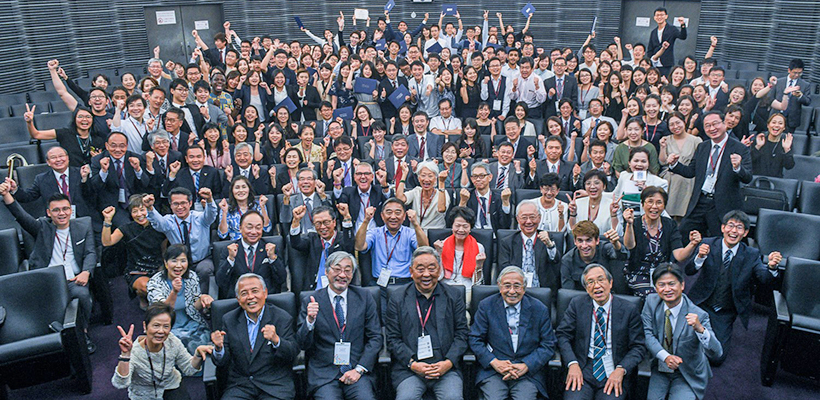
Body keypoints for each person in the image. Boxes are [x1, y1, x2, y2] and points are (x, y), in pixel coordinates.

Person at [0, 186, 97, 353]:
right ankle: (58, 332)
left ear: (71, 210)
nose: (62, 213)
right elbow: (20, 215)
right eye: (56, 210)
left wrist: (86, 271)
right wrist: (6, 194)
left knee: (82, 295)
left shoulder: (83, 225)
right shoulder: (42, 227)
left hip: (73, 279)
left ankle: (82, 332)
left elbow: (90, 252)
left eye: (65, 209)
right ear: (49, 213)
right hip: (47, 281)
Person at [684, 210, 781, 364]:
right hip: (700, 304)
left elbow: (764, 278)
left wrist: (772, 267)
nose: (734, 231)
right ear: (723, 228)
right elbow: (689, 271)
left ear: (745, 233)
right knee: (678, 341)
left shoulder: (751, 254)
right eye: (730, 225)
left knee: (717, 357)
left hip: (724, 312)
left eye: (739, 227)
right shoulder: (708, 244)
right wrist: (700, 257)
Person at [384, 247, 469, 400]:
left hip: (445, 368)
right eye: (420, 269)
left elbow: (462, 334)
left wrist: (448, 363)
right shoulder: (397, 298)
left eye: (431, 268)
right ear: (411, 271)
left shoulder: (454, 296)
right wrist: (413, 364)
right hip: (410, 369)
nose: (426, 274)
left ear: (440, 270)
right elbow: (392, 339)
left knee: (453, 397)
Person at [296, 251, 382, 400]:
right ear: (326, 271)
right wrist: (310, 321)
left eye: (347, 270)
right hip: (324, 375)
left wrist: (359, 369)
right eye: (337, 269)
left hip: (356, 371)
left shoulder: (364, 297)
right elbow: (302, 344)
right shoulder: (311, 300)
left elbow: (375, 337)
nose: (342, 275)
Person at [556, 264, 646, 400]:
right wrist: (572, 363)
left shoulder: (629, 309)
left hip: (614, 369)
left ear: (610, 283)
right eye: (590, 282)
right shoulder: (577, 305)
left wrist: (621, 369)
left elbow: (638, 346)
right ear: (586, 288)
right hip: (583, 367)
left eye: (601, 280)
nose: (596, 286)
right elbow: (562, 335)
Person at [469, 266, 557, 400]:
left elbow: (548, 344)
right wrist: (494, 362)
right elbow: (475, 339)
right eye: (507, 286)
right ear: (499, 286)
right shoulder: (486, 306)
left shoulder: (539, 309)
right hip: (494, 370)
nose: (512, 291)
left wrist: (527, 365)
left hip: (527, 373)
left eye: (517, 286)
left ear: (524, 288)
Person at [211, 273, 299, 400]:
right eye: (244, 293)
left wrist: (276, 340)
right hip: (241, 386)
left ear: (265, 293)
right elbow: (222, 362)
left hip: (274, 386)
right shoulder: (229, 320)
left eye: (255, 291)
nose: (250, 297)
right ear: (238, 299)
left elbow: (292, 353)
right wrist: (219, 349)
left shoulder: (282, 317)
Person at [642, 264, 723, 400]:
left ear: (682, 285)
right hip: (660, 367)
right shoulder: (651, 302)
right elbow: (648, 335)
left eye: (671, 284)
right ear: (656, 288)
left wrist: (700, 330)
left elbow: (717, 352)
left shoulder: (699, 315)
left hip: (687, 373)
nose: (667, 289)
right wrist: (666, 357)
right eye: (661, 285)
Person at [667, 111, 752, 238]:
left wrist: (738, 167)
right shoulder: (702, 147)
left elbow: (748, 177)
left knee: (718, 239)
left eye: (715, 124)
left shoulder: (740, 148)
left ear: (724, 124)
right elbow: (690, 171)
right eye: (707, 125)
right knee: (683, 233)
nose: (712, 128)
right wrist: (674, 164)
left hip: (723, 204)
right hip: (700, 200)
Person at [112, 303, 213, 400]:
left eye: (166, 326)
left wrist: (197, 354)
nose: (161, 331)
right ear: (145, 326)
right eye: (156, 325)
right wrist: (125, 355)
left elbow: (189, 369)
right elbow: (120, 383)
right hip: (144, 395)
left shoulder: (172, 341)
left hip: (171, 385)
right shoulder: (135, 352)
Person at [621, 187, 701, 298]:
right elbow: (629, 245)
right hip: (638, 273)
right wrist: (629, 224)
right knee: (654, 297)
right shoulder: (634, 223)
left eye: (659, 203)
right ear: (643, 204)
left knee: (675, 293)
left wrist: (692, 244)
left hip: (662, 274)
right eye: (650, 202)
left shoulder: (670, 224)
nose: (654, 206)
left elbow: (679, 255)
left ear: (664, 206)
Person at [144, 187, 217, 293]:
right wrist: (150, 208)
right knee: (163, 273)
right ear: (170, 205)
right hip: (179, 261)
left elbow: (211, 214)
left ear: (190, 203)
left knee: (205, 269)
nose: (180, 207)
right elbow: (158, 223)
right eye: (176, 204)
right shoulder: (168, 221)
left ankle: (202, 298)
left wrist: (209, 199)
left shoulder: (200, 218)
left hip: (202, 260)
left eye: (183, 203)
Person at [101, 195, 166, 309]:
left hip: (158, 268)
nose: (139, 214)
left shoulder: (159, 226)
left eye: (142, 210)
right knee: (147, 287)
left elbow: (164, 251)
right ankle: (143, 296)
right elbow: (107, 242)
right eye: (135, 211)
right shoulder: (126, 228)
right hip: (137, 270)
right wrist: (107, 220)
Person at [146, 244, 213, 354]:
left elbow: (194, 307)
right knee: (179, 348)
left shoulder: (191, 276)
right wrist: (174, 292)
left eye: (183, 261)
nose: (179, 265)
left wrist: (202, 299)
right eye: (174, 261)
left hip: (191, 323)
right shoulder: (154, 283)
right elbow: (161, 312)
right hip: (166, 327)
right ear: (166, 263)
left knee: (204, 344)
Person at [355, 198, 429, 286]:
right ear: (382, 216)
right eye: (389, 212)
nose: (393, 217)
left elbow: (424, 249)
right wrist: (366, 220)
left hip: (405, 283)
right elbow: (359, 246)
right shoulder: (374, 233)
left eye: (397, 213)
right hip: (379, 284)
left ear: (404, 216)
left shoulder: (410, 233)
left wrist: (415, 223)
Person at [216, 210, 287, 299]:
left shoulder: (271, 248)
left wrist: (272, 258)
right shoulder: (229, 250)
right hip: (239, 300)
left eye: (258, 228)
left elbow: (281, 279)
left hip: (266, 299)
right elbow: (220, 282)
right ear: (240, 228)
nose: (254, 232)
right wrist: (230, 259)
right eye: (249, 227)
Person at [9, 146, 94, 219]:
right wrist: (15, 189)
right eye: (53, 157)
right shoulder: (41, 179)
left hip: (83, 218)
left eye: (61, 156)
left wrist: (84, 180)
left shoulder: (81, 173)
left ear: (68, 158)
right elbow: (28, 197)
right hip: (56, 221)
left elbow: (92, 196)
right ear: (48, 162)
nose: (58, 160)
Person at [90, 132, 151, 227]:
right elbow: (94, 187)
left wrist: (137, 169)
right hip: (113, 205)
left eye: (122, 146)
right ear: (107, 145)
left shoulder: (135, 158)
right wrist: (103, 171)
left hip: (134, 202)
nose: (118, 150)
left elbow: (145, 183)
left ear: (127, 146)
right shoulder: (98, 160)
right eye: (113, 146)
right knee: (127, 226)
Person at [290, 205, 355, 292]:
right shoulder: (312, 238)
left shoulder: (343, 239)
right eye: (318, 223)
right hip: (315, 287)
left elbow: (349, 245)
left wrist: (346, 217)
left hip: (339, 286)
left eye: (326, 222)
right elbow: (296, 243)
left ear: (334, 222)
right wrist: (296, 220)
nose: (322, 227)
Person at [498, 200, 561, 290]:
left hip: (542, 290)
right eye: (524, 217)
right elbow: (504, 270)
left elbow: (556, 261)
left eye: (532, 217)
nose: (528, 221)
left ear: (539, 218)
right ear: (517, 219)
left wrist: (549, 245)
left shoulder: (548, 238)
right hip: (516, 290)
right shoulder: (507, 242)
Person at [561, 221, 628, 295]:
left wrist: (616, 244)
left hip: (608, 296)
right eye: (580, 241)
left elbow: (622, 256)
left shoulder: (605, 249)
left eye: (588, 240)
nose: (584, 246)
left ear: (597, 240)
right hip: (581, 299)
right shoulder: (567, 260)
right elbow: (569, 293)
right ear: (575, 241)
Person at [433, 207, 488, 297]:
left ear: (470, 228)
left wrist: (479, 266)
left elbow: (477, 284)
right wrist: (438, 254)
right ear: (452, 226)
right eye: (457, 226)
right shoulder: (441, 245)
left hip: (467, 289)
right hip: (445, 288)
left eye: (465, 226)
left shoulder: (479, 247)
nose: (461, 230)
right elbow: (437, 277)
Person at [658, 112, 702, 219]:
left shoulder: (696, 140)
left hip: (688, 181)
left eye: (678, 123)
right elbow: (662, 162)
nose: (675, 126)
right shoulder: (666, 139)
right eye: (671, 124)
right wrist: (662, 147)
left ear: (684, 122)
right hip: (671, 180)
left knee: (685, 213)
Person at [456, 162, 512, 231]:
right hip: (472, 234)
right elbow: (458, 222)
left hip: (493, 234)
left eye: (481, 176)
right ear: (472, 179)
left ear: (490, 177)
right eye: (475, 176)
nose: (478, 179)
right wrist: (463, 202)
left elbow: (505, 225)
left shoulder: (500, 197)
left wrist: (505, 202)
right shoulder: (466, 196)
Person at [396, 161, 450, 231]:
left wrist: (441, 182)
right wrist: (404, 174)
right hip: (415, 232)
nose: (426, 179)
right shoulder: (416, 191)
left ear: (435, 179)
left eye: (430, 176)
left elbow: (441, 209)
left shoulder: (443, 193)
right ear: (419, 178)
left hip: (435, 233)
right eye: (423, 175)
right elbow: (400, 198)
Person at [217, 176, 272, 241]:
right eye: (237, 188)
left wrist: (262, 207)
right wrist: (224, 212)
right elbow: (222, 234)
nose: (241, 190)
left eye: (244, 187)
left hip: (255, 241)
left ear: (249, 189)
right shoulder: (226, 208)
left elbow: (267, 228)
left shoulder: (258, 205)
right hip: (236, 244)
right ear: (232, 191)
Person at [771, 59, 811, 133]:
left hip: (792, 120)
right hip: (776, 116)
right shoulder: (779, 82)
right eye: (795, 73)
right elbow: (770, 98)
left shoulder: (805, 85)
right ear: (789, 70)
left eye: (800, 73)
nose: (797, 75)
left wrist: (800, 96)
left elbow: (808, 102)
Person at [750, 113, 795, 178]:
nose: (776, 125)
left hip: (776, 180)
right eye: (773, 122)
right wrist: (758, 147)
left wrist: (787, 150)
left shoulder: (786, 142)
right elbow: (749, 161)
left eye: (780, 123)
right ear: (768, 125)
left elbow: (789, 166)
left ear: (784, 127)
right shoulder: (759, 139)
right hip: (757, 178)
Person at [647, 8, 687, 75]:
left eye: (661, 15)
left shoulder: (672, 29)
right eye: (657, 15)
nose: (659, 17)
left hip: (667, 64)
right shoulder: (653, 32)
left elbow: (683, 36)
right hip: (654, 64)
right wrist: (649, 62)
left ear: (666, 16)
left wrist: (682, 25)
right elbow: (650, 48)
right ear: (654, 17)